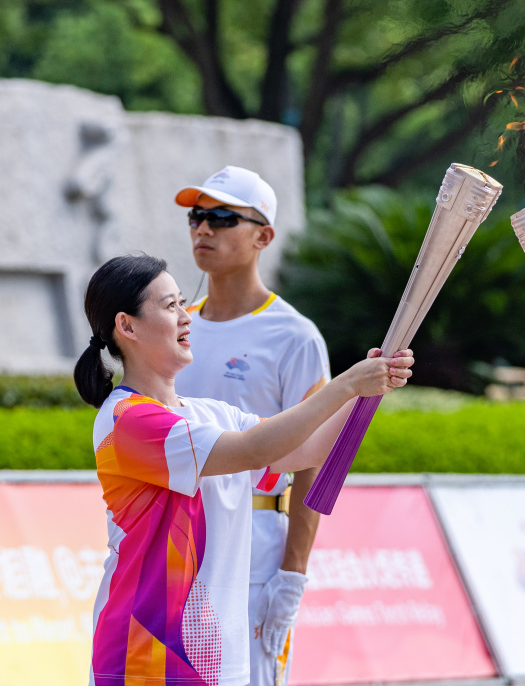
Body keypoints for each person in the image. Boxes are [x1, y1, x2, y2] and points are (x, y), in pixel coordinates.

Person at [74, 253, 413, 686]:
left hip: (216, 657)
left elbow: (307, 448)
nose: (186, 318)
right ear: (127, 326)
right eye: (170, 306)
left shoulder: (209, 414)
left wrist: (372, 388)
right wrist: (347, 384)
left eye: (182, 303)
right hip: (146, 658)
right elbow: (255, 450)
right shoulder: (127, 419)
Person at [172, 166, 329, 685]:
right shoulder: (174, 330)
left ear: (263, 236)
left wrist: (292, 575)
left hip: (256, 543)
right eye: (197, 216)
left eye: (222, 217)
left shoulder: (295, 337)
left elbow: (317, 463)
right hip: (176, 539)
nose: (203, 229)